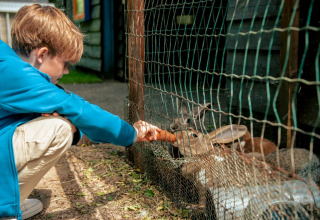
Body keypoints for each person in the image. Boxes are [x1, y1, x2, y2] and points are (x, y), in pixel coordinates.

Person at [0, 4, 161, 220]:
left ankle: (9, 197)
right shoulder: (23, 77)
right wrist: (130, 133)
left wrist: (77, 130)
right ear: (42, 54)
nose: (66, 71)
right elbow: (78, 108)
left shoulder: (7, 63)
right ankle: (5, 206)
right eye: (65, 63)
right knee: (59, 130)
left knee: (56, 122)